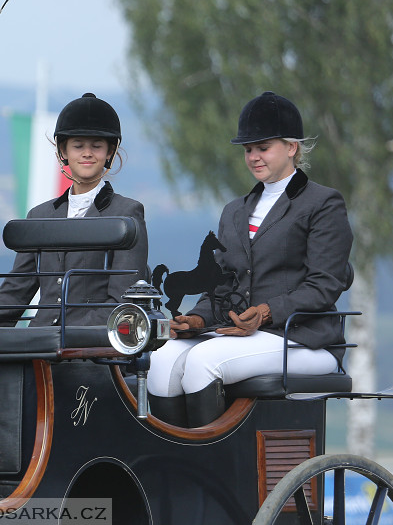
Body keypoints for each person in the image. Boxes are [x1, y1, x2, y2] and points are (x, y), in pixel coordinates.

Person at [146, 91, 353, 428]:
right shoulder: (234, 212)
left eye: (263, 147)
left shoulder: (322, 204)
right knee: (163, 360)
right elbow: (222, 284)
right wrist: (196, 320)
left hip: (301, 337)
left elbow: (324, 285)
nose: (254, 156)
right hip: (242, 334)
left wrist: (266, 312)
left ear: (291, 147)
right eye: (248, 150)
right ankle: (182, 471)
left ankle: (216, 470)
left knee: (202, 361)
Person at [0, 93, 148, 327]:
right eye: (78, 145)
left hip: (92, 344)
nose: (87, 153)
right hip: (39, 341)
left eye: (97, 146)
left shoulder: (127, 211)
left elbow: (122, 299)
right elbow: (17, 289)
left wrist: (68, 333)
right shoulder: (40, 216)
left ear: (109, 152)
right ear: (64, 151)